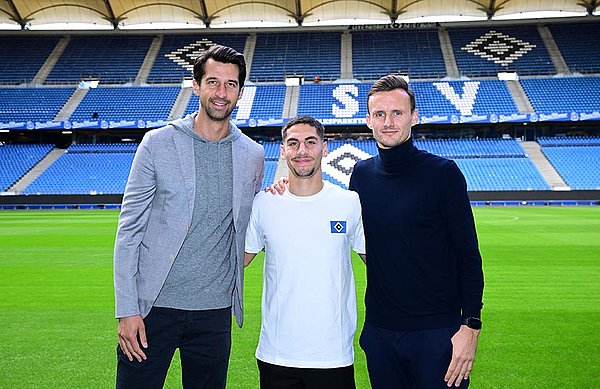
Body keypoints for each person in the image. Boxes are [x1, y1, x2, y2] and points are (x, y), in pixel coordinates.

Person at [113, 44, 264, 388]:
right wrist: (127, 309)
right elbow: (129, 231)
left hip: (214, 312)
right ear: (196, 86)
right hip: (153, 308)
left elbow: (250, 223)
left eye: (230, 84)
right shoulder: (157, 143)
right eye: (212, 82)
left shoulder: (252, 155)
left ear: (240, 92)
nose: (221, 93)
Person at [349, 75, 484, 388]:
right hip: (380, 333)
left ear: (414, 116)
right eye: (379, 114)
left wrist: (470, 327)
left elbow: (468, 255)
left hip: (437, 334)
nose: (388, 121)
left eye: (397, 113)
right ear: (368, 120)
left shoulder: (443, 173)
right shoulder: (361, 175)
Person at [244, 116, 366, 389]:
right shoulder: (264, 203)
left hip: (332, 355)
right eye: (293, 143)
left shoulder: (349, 203)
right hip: (277, 353)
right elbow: (237, 260)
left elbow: (381, 264)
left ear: (324, 149)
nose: (301, 151)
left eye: (310, 143)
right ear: (283, 151)